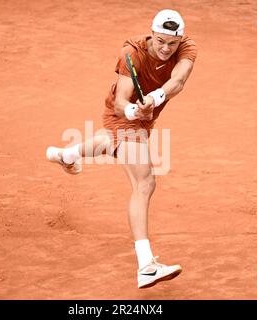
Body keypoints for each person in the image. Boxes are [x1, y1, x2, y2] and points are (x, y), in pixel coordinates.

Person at [46, 9, 197, 289]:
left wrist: (152, 99)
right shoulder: (132, 52)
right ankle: (146, 265)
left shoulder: (187, 47)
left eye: (172, 43)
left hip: (146, 114)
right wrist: (132, 110)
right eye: (160, 41)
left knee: (109, 144)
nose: (166, 48)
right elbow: (120, 102)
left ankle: (66, 155)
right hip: (123, 115)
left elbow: (178, 81)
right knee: (144, 182)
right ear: (152, 34)